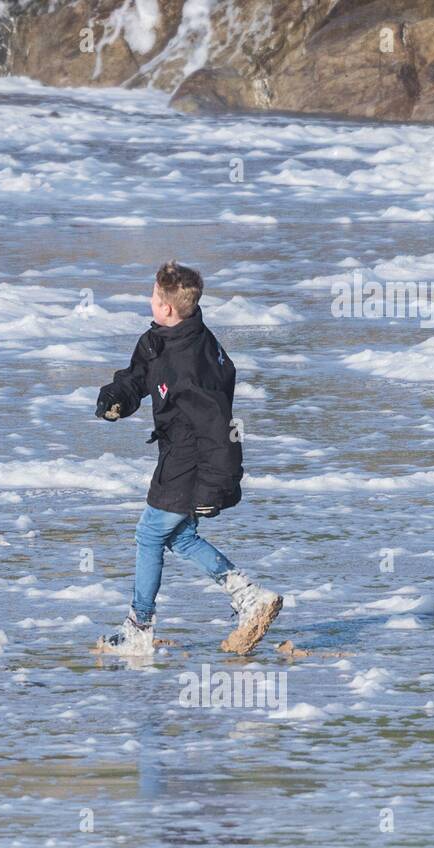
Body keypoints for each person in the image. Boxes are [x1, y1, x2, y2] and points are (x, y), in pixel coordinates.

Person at [95, 261, 281, 656]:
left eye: (152, 295)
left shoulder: (191, 365)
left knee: (149, 535)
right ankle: (248, 594)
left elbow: (220, 429)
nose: (149, 300)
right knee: (178, 536)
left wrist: (216, 486)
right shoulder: (160, 338)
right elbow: (138, 375)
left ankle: (138, 628)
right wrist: (116, 399)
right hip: (174, 452)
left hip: (192, 460)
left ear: (166, 307)